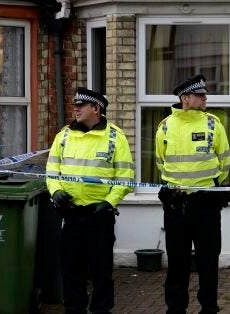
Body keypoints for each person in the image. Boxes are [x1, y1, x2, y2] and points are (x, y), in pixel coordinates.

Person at [46, 87, 134, 314]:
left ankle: (101, 311)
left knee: (101, 273)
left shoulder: (115, 137)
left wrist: (109, 202)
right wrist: (55, 192)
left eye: (81, 105)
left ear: (96, 109)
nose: (75, 109)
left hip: (100, 217)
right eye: (74, 105)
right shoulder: (63, 136)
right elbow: (51, 172)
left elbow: (125, 177)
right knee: (71, 272)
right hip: (71, 215)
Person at [155, 74, 230, 313]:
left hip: (205, 202)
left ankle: (209, 307)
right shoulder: (166, 125)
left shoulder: (213, 124)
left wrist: (211, 185)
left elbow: (225, 160)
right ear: (185, 98)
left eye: (204, 94)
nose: (205, 98)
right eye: (200, 95)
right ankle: (175, 308)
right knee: (177, 262)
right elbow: (161, 161)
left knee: (209, 260)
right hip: (176, 204)